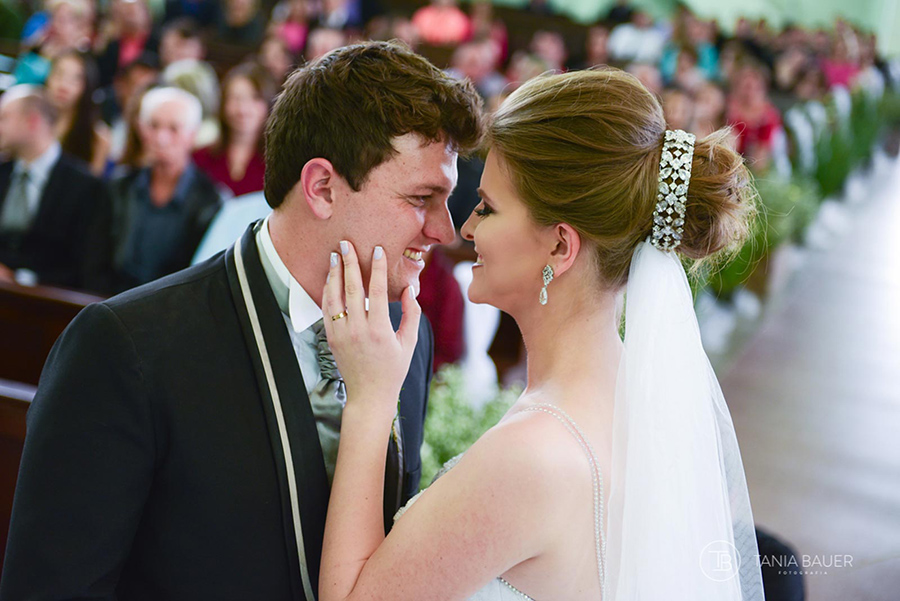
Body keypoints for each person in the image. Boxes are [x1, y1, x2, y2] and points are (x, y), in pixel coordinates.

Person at [1, 41, 483, 601]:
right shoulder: (126, 346)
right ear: (322, 187)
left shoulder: (408, 335)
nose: (444, 231)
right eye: (423, 197)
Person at [317, 68, 764, 600]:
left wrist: (370, 400)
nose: (466, 228)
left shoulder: (532, 458)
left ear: (559, 247)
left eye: (488, 208)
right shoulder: (644, 404)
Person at [104, 86, 221, 292]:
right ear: (141, 128)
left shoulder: (212, 201)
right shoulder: (119, 187)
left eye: (173, 129)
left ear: (192, 135)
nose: (161, 138)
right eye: (153, 126)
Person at [0, 85, 109, 291]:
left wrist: (20, 279)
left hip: (48, 302)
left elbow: (86, 264)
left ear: (31, 121)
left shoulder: (85, 186)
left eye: (4, 117)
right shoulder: (3, 172)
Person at [193, 63, 274, 197]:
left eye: (254, 98)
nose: (243, 109)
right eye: (235, 98)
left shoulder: (277, 163)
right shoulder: (201, 159)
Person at [45, 50, 111, 176]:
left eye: (75, 79)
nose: (63, 85)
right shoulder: (32, 120)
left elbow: (89, 188)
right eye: (59, 74)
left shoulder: (97, 137)